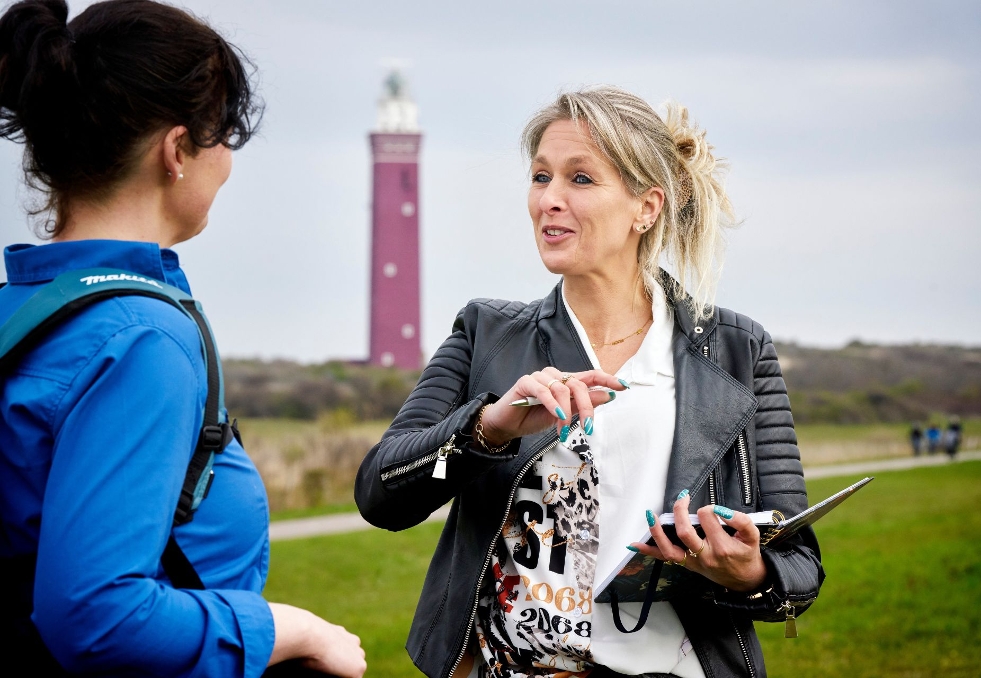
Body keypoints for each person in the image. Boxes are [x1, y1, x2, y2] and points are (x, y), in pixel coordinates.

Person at [356, 86, 823, 678]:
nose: (549, 199)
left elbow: (799, 571)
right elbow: (381, 495)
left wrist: (748, 572)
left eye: (580, 179)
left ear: (646, 207)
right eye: (540, 177)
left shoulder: (737, 349)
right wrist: (486, 428)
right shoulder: (487, 333)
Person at [0, 1, 365, 676]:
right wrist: (289, 629)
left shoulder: (21, 309)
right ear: (176, 151)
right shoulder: (142, 339)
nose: (226, 162)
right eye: (222, 134)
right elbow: (97, 615)